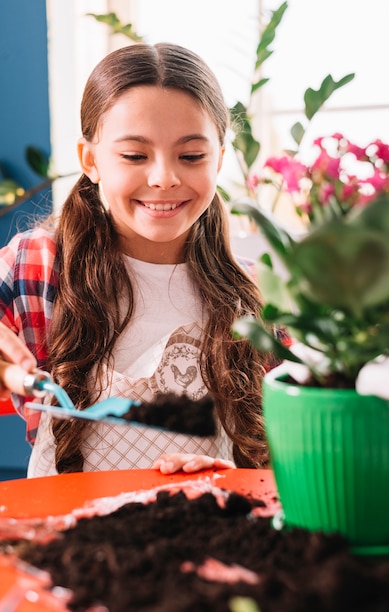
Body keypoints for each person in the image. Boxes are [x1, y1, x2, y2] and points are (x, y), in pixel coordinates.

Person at [0, 42, 270, 477]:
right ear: (91, 160)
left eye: (191, 156)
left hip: (208, 533)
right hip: (64, 539)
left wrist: (242, 475)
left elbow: (297, 454)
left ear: (219, 159)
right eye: (134, 155)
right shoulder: (36, 263)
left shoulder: (257, 294)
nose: (164, 177)